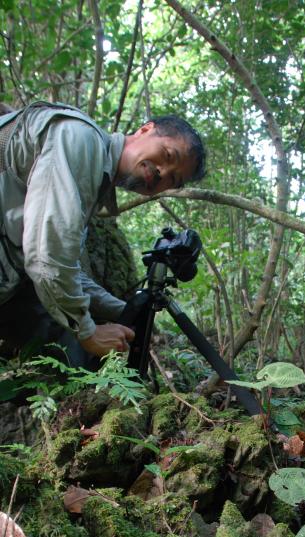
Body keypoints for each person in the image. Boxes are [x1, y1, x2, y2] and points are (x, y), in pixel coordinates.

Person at [0, 101, 205, 366]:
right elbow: (47, 256)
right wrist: (87, 331)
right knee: (77, 346)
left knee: (73, 352)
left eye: (172, 180)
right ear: (145, 130)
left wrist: (124, 309)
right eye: (167, 155)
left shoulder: (95, 179)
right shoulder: (80, 138)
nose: (162, 173)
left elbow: (66, 267)